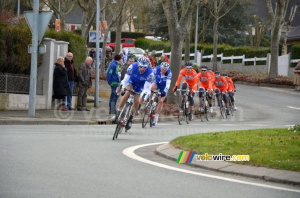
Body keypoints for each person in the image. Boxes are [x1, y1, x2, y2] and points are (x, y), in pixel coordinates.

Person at [115, 56, 154, 131]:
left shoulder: (150, 73)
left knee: (136, 101)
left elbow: (146, 88)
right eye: (141, 67)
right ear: (138, 65)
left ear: (147, 66)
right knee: (127, 93)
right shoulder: (132, 67)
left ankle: (131, 117)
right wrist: (122, 87)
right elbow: (125, 79)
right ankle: (119, 110)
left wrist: (142, 95)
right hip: (131, 81)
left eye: (144, 67)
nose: (142, 69)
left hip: (141, 86)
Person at [150, 62, 172, 126]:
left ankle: (156, 117)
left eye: (165, 69)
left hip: (164, 87)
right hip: (157, 83)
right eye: (163, 69)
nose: (164, 71)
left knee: (161, 101)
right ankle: (150, 101)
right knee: (152, 87)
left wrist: (165, 91)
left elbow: (168, 84)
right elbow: (151, 77)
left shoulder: (169, 73)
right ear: (160, 68)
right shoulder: (156, 69)